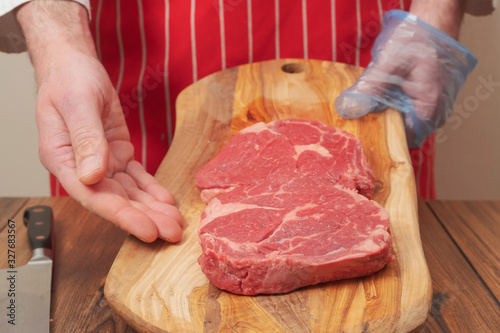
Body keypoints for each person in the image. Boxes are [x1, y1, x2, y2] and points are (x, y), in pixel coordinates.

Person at [0, 0, 486, 243]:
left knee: (366, 230)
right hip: (143, 74)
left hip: (359, 53)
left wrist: (437, 16)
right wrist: (57, 43)